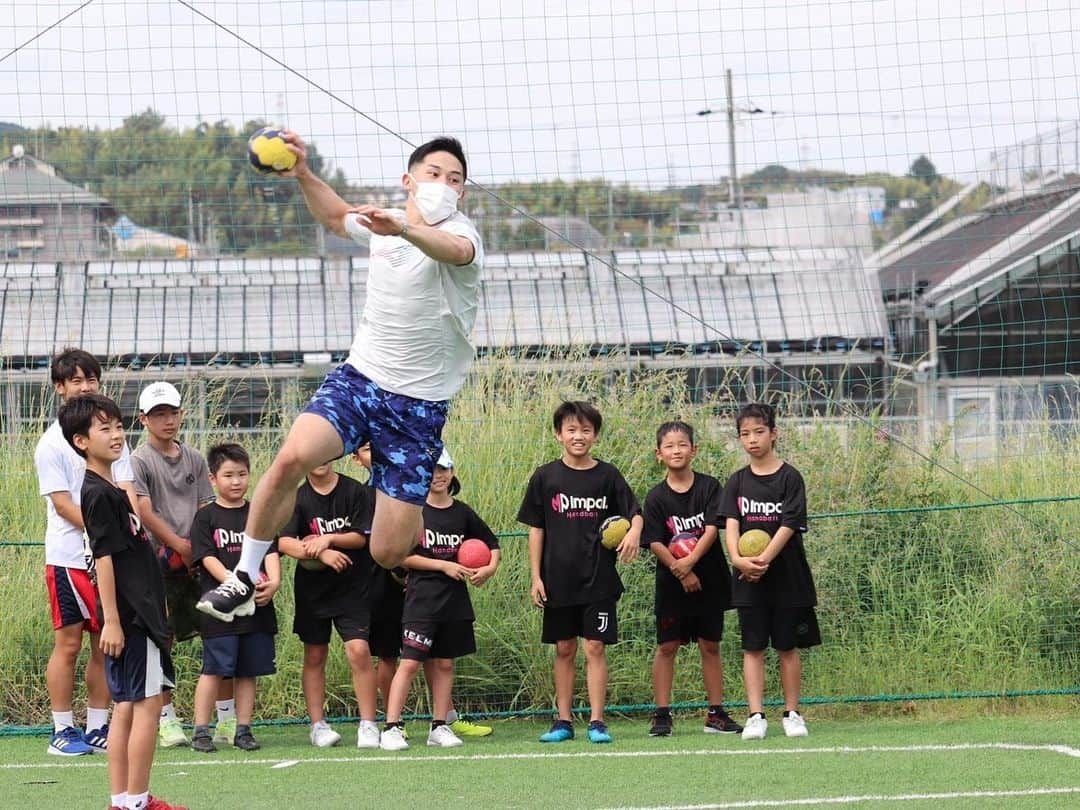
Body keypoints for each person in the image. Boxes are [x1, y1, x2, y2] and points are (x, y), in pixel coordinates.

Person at [198, 132, 484, 622]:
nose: (443, 185)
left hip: (418, 407)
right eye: (434, 174)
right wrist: (304, 174)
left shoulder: (461, 233)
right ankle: (244, 576)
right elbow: (334, 216)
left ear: (462, 193)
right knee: (291, 457)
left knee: (389, 552)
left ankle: (385, 477)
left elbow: (454, 251)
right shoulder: (380, 227)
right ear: (408, 181)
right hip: (361, 380)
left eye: (454, 180)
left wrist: (404, 230)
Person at [59, 393, 185, 810]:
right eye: (104, 428)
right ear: (81, 441)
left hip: (136, 614)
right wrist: (111, 620)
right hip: (130, 620)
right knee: (147, 705)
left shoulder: (110, 489)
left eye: (118, 426)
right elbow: (104, 558)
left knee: (128, 706)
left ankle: (124, 801)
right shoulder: (97, 493)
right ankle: (137, 802)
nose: (117, 435)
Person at [517, 401, 641, 744]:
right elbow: (536, 529)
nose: (578, 436)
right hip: (557, 580)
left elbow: (635, 512)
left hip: (599, 579)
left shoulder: (608, 475)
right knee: (564, 648)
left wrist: (633, 532)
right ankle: (563, 721)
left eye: (586, 430)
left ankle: (598, 721)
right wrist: (536, 577)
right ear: (559, 434)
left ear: (595, 436)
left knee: (595, 647)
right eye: (571, 429)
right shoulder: (545, 477)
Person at [35, 348, 135, 757]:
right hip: (68, 559)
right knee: (69, 644)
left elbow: (126, 486)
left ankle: (97, 725)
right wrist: (102, 530)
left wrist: (132, 526)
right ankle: (62, 729)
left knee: (104, 642)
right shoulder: (51, 444)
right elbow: (61, 504)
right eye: (75, 380)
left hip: (108, 558)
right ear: (60, 388)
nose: (84, 387)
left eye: (90, 379)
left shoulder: (109, 434)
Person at [356, 445, 492, 738]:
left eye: (443, 469)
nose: (437, 475)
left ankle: (440, 726)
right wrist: (442, 566)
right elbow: (399, 554)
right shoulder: (411, 510)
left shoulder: (463, 512)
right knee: (407, 662)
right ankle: (392, 726)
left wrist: (488, 568)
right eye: (431, 470)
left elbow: (492, 545)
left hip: (453, 602)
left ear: (452, 471)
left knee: (444, 663)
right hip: (419, 601)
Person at [718, 403, 820, 740]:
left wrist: (763, 559)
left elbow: (790, 524)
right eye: (745, 434)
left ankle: (792, 713)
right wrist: (737, 558)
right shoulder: (737, 482)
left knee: (787, 647)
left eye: (759, 432)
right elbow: (730, 525)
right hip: (748, 579)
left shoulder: (790, 477)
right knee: (753, 647)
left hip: (787, 577)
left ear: (774, 433)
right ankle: (755, 715)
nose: (752, 439)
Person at [129, 382, 221, 749]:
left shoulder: (196, 459)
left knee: (216, 631)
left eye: (172, 413)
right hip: (158, 561)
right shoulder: (139, 460)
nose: (167, 421)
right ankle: (166, 720)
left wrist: (196, 547)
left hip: (198, 558)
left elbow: (205, 506)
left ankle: (225, 718)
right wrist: (179, 545)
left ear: (182, 414)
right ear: (144, 419)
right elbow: (144, 511)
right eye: (158, 414)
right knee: (161, 639)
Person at [641, 421, 742, 737]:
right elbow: (655, 540)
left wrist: (691, 562)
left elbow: (713, 528)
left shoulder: (710, 487)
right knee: (667, 646)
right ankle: (661, 714)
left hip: (709, 580)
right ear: (659, 454)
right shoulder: (656, 497)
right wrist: (679, 569)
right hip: (672, 584)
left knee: (710, 646)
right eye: (669, 446)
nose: (676, 450)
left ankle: (715, 714)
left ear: (693, 450)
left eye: (682, 444)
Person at [278, 461, 380, 749]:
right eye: (314, 455)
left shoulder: (355, 491)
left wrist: (328, 539)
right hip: (313, 591)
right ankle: (318, 725)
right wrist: (321, 555)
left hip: (352, 587)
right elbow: (285, 542)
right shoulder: (297, 497)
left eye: (326, 454)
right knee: (314, 655)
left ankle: (369, 724)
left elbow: (361, 537)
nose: (320, 460)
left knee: (359, 650)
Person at [189, 444, 280, 753]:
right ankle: (201, 731)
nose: (236, 481)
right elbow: (206, 558)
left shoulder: (259, 512)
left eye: (242, 474)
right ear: (213, 479)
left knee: (248, 671)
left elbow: (271, 551)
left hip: (257, 609)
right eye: (228, 475)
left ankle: (243, 729)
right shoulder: (206, 518)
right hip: (221, 610)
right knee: (213, 669)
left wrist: (274, 583)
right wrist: (235, 583)